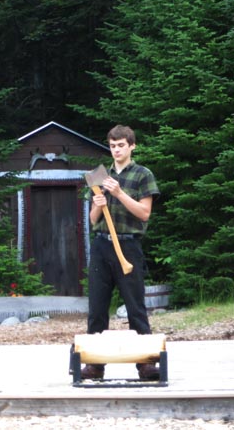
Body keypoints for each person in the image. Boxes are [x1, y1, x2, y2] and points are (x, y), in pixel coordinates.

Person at [81, 125, 161, 381]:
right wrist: (97, 205)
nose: (116, 150)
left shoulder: (142, 175)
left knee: (136, 306)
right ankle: (95, 364)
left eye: (121, 145)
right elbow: (93, 220)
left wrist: (118, 193)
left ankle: (146, 363)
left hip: (128, 246)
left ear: (131, 146)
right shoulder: (98, 177)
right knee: (97, 308)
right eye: (113, 146)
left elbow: (144, 213)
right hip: (102, 245)